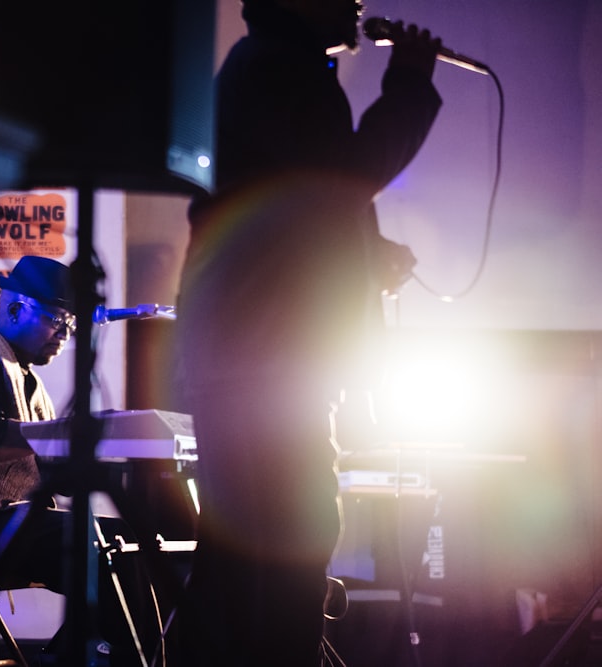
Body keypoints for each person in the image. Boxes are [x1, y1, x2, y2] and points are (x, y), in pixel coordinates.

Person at [171, 1, 443, 665]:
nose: (355, 4)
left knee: (250, 553)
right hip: (262, 351)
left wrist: (367, 259)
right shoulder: (273, 68)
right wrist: (407, 85)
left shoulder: (276, 67)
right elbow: (339, 179)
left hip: (255, 345)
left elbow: (294, 209)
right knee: (288, 543)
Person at [0, 255, 158, 666]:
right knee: (101, 542)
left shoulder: (33, 383)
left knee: (124, 536)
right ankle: (118, 654)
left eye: (71, 327)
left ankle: (95, 650)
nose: (63, 335)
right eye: (57, 321)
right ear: (16, 308)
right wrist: (67, 432)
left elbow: (55, 473)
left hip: (17, 522)